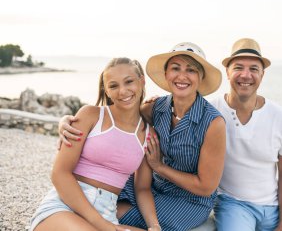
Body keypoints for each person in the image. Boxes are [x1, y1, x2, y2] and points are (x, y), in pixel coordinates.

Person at [57, 42, 226, 231]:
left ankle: (93, 220)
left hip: (189, 198)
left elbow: (206, 187)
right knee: (104, 191)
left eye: (191, 70)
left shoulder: (213, 123)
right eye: (175, 68)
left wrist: (159, 167)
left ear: (201, 77)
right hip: (153, 185)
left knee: (134, 216)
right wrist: (66, 121)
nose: (182, 76)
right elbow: (122, 110)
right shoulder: (155, 108)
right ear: (166, 75)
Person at [30, 58, 160, 231]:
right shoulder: (90, 115)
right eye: (113, 86)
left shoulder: (148, 134)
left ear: (142, 81)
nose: (122, 91)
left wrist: (154, 226)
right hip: (64, 207)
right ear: (106, 90)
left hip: (107, 213)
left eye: (129, 81)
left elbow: (142, 189)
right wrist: (102, 225)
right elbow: (59, 173)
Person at [211, 38, 282, 231]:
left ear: (262, 74)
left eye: (254, 69)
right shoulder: (211, 110)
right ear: (227, 71)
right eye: (238, 67)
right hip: (233, 204)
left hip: (273, 209)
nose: (245, 75)